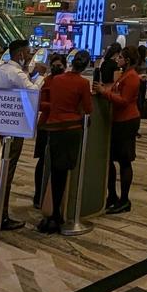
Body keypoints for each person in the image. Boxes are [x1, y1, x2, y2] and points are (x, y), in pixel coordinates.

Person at [0, 39, 43, 230]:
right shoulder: (16, 73)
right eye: (28, 52)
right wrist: (41, 76)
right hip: (14, 125)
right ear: (20, 54)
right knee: (8, 169)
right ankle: (2, 214)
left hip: (0, 121)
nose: (29, 56)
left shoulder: (3, 70)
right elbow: (32, 91)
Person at [37, 50, 94, 234]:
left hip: (54, 128)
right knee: (64, 170)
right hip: (71, 129)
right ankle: (56, 214)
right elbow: (88, 108)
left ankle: (53, 213)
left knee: (55, 170)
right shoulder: (83, 83)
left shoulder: (57, 80)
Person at [96, 46, 141, 214]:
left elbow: (124, 101)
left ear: (127, 60)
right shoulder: (124, 75)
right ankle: (112, 195)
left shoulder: (132, 77)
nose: (118, 59)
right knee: (110, 159)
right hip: (118, 120)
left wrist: (104, 93)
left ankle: (124, 199)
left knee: (124, 160)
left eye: (121, 57)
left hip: (127, 121)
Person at [33, 54, 65, 209]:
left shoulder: (66, 81)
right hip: (45, 124)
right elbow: (39, 103)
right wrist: (54, 106)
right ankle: (38, 195)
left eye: (59, 65)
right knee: (42, 161)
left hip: (60, 125)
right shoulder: (46, 81)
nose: (56, 68)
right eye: (54, 65)